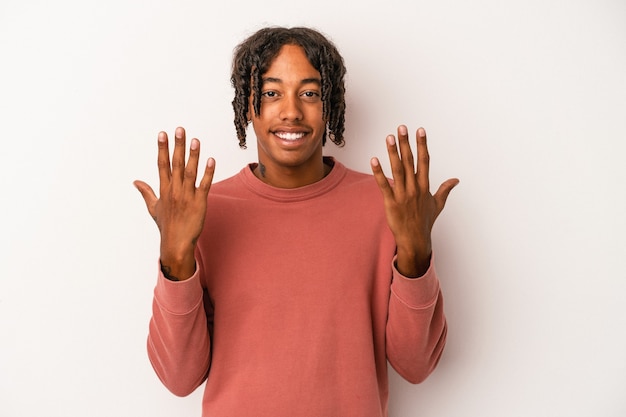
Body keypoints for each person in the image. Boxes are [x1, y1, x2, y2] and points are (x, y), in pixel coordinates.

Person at [134, 26, 459, 417]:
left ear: (332, 104)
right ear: (248, 105)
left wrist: (416, 252)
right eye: (272, 93)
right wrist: (174, 256)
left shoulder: (389, 205)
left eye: (310, 93)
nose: (291, 110)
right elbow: (179, 378)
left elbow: (416, 365)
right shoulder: (203, 210)